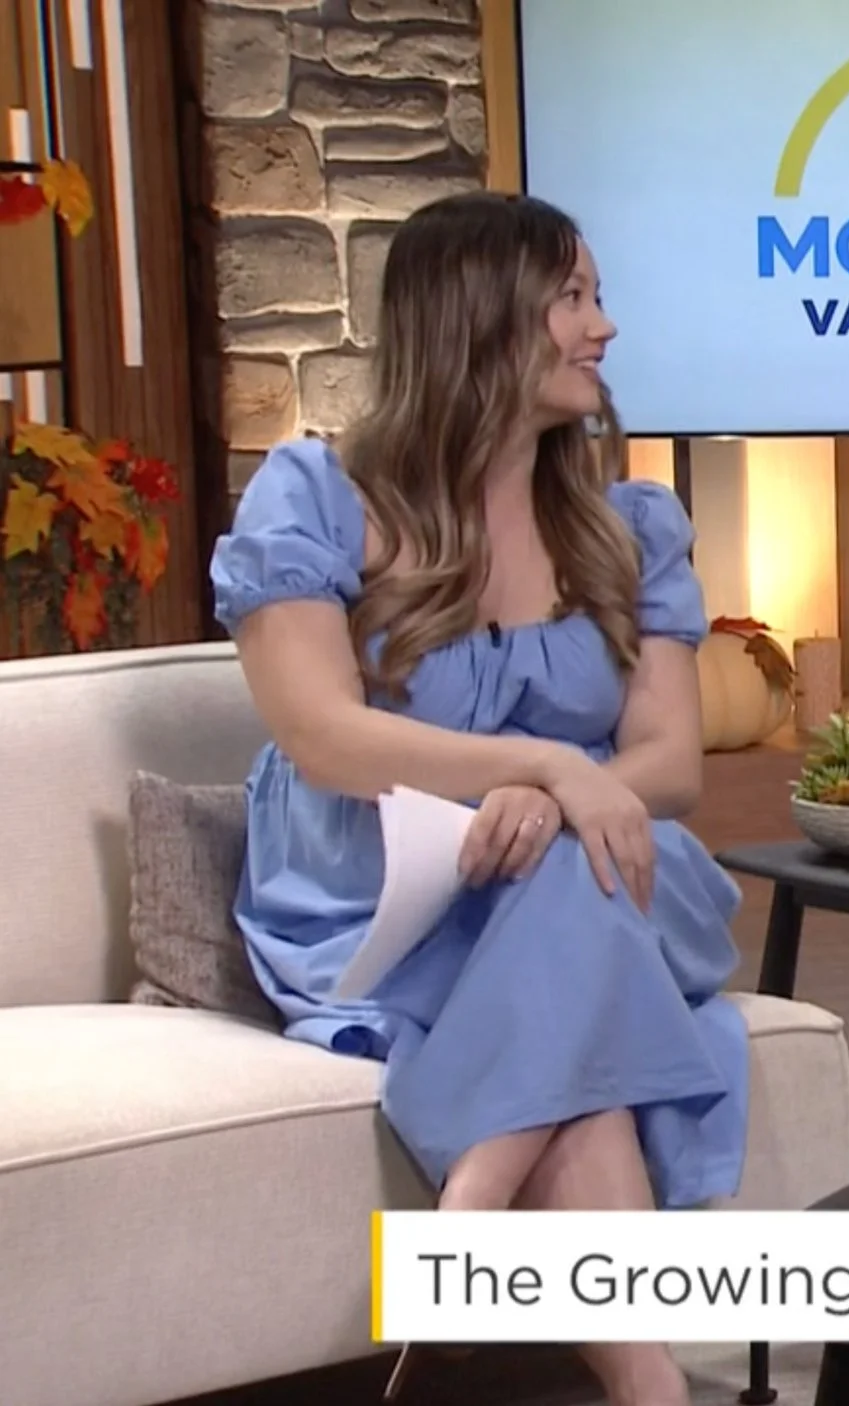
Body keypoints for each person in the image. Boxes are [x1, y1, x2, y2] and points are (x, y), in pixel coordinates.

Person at [208, 191, 744, 1406]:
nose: (603, 328)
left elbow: (671, 761)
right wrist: (544, 767)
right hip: (384, 886)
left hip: (596, 871)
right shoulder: (318, 496)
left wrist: (562, 800)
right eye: (573, 298)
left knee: (573, 886)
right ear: (475, 316)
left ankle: (467, 1222)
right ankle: (650, 1385)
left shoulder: (626, 523)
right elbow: (322, 734)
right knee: (584, 1004)